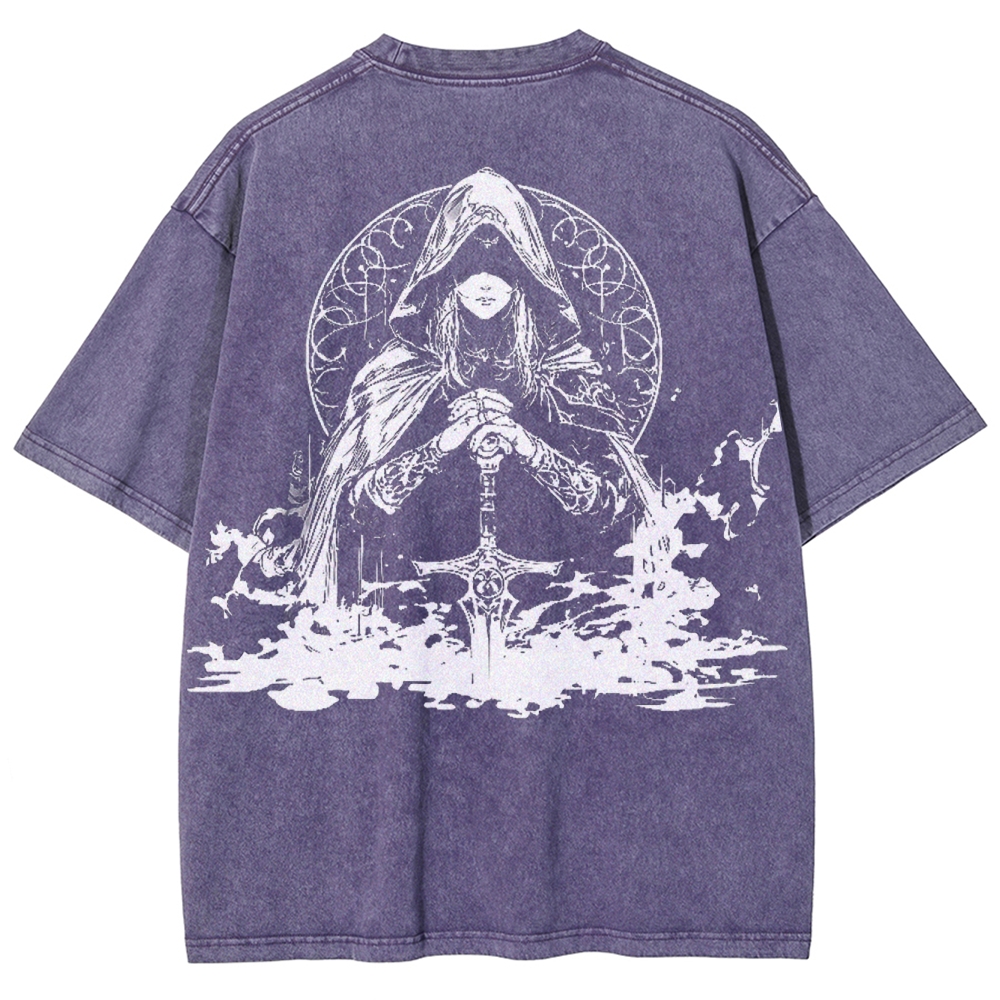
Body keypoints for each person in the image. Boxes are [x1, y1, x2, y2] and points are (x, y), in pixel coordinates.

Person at [293, 167, 645, 610]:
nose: (484, 281)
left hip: (560, 609)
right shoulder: (397, 375)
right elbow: (355, 507)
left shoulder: (568, 373)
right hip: (412, 613)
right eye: (467, 265)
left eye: (501, 266)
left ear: (525, 273)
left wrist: (526, 445)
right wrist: (442, 444)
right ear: (444, 273)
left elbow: (614, 504)